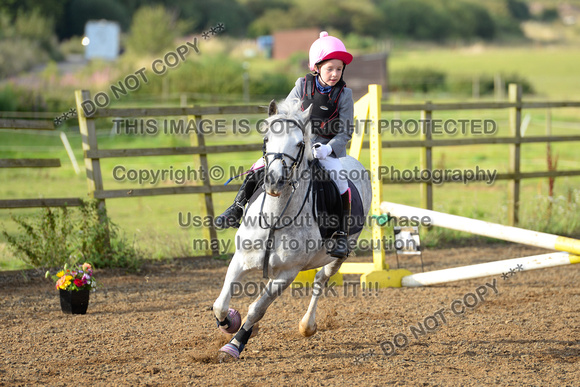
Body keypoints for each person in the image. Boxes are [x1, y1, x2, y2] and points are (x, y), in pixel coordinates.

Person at [215, 31, 354, 259]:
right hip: (296, 146)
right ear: (317, 67)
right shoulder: (302, 85)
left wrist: (328, 148)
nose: (335, 74)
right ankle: (236, 208)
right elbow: (286, 112)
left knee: (339, 180)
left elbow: (345, 130)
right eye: (330, 69)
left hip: (325, 150)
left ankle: (340, 234)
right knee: (259, 166)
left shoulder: (345, 94)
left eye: (339, 69)